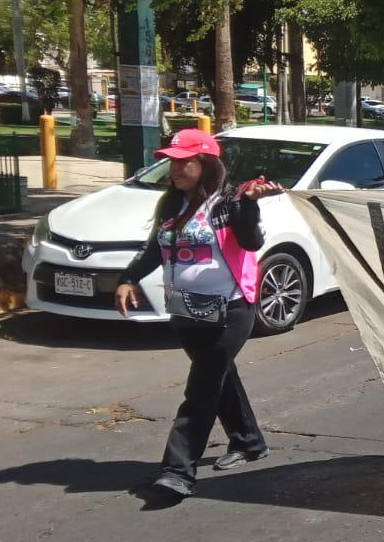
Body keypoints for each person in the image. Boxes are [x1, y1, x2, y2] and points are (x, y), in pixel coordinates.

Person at [116, 128, 286, 499]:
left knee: (202, 388)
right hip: (186, 312)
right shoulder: (171, 204)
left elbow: (252, 242)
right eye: (171, 162)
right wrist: (128, 279)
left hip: (231, 309)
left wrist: (249, 205)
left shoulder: (229, 202)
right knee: (219, 376)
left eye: (183, 162)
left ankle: (178, 471)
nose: (173, 169)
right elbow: (154, 249)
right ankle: (249, 442)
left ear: (205, 164)